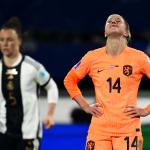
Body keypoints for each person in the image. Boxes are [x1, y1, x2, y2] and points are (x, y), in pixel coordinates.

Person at [64, 14, 150, 150]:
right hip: (99, 130)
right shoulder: (92, 57)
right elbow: (69, 80)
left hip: (128, 129)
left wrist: (146, 110)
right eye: (110, 21)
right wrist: (85, 106)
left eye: (118, 21)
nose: (113, 21)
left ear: (126, 32)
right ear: (105, 32)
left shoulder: (139, 57)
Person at [0, 17, 58, 150]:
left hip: (29, 134)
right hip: (3, 133)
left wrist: (50, 114)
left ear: (19, 41)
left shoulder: (32, 67)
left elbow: (52, 87)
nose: (5, 44)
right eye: (2, 40)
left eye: (9, 40)